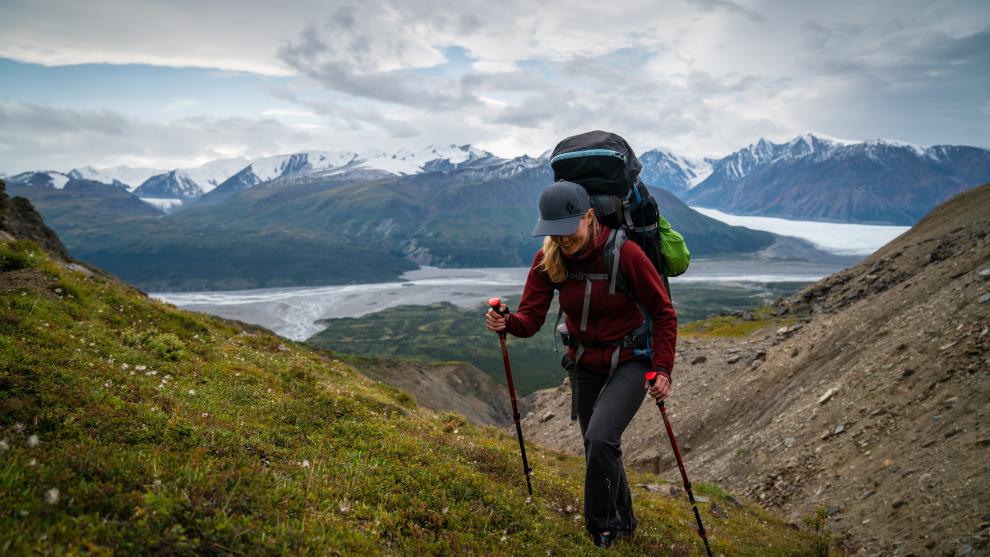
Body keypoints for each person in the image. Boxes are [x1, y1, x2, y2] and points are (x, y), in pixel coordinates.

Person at [486, 180, 677, 548]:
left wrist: (664, 368)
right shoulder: (549, 258)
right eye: (553, 232)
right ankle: (624, 523)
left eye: (567, 231)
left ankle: (601, 529)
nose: (562, 239)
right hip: (584, 360)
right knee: (598, 447)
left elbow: (663, 313)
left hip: (632, 359)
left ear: (589, 217)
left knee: (601, 436)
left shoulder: (626, 254)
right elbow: (530, 319)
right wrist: (506, 321)